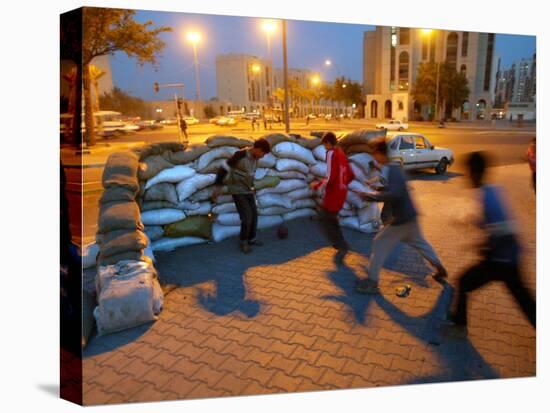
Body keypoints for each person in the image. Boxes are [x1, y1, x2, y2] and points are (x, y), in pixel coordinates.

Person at [447, 152, 536, 329]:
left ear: (474, 173)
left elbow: (503, 228)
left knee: (464, 281)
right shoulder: (493, 190)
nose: (466, 177)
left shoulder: (487, 196)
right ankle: (459, 318)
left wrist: (484, 246)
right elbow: (497, 222)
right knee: (523, 299)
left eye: (467, 172)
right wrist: (473, 222)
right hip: (508, 257)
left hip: (502, 260)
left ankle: (459, 319)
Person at [355, 138, 447, 294]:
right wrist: (377, 188)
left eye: (374, 153)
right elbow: (394, 190)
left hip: (402, 219)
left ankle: (372, 282)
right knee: (421, 244)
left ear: (380, 153)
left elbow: (395, 193)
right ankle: (439, 267)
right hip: (410, 216)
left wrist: (371, 196)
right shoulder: (392, 168)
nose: (373, 157)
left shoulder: (392, 169)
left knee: (379, 243)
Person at [213, 139, 271, 254]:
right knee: (247, 217)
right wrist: (217, 187)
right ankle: (243, 241)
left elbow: (250, 174)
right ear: (258, 149)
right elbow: (223, 169)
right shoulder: (240, 155)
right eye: (263, 153)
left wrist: (253, 187)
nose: (263, 156)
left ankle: (252, 238)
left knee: (254, 215)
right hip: (237, 190)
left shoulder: (255, 158)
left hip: (248, 190)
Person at [310, 132, 354, 264]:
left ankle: (341, 246)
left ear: (328, 143)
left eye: (325, 145)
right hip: (341, 192)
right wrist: (344, 185)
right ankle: (340, 243)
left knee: (323, 218)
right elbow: (351, 174)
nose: (324, 148)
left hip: (333, 194)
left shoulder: (331, 153)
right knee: (331, 219)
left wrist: (317, 185)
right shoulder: (341, 153)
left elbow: (331, 176)